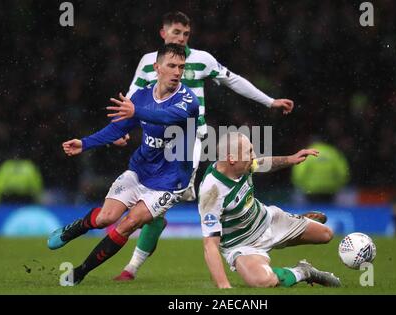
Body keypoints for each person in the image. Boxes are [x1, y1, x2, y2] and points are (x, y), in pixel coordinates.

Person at [114, 11, 300, 281]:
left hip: (186, 142)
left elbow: (233, 80)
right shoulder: (149, 63)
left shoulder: (201, 59)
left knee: (160, 203)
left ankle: (130, 269)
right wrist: (122, 129)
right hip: (153, 140)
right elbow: (131, 97)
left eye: (186, 34)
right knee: (155, 208)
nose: (181, 38)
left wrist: (269, 101)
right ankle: (137, 257)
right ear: (163, 34)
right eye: (176, 32)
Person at [47, 44, 199, 285]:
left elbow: (166, 116)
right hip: (140, 171)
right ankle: (74, 229)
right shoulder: (140, 96)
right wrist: (85, 144)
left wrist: (136, 111)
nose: (177, 72)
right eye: (171, 66)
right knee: (105, 218)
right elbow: (118, 128)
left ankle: (80, 272)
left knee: (128, 223)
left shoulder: (188, 100)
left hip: (170, 182)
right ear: (156, 68)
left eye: (181, 67)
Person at [198, 132, 341, 288]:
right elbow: (210, 245)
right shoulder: (211, 192)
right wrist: (224, 286)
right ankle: (303, 272)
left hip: (269, 220)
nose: (254, 156)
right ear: (232, 158)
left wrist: (291, 159)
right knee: (263, 281)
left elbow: (262, 163)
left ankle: (292, 225)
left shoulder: (243, 165)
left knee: (326, 235)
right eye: (249, 152)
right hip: (242, 245)